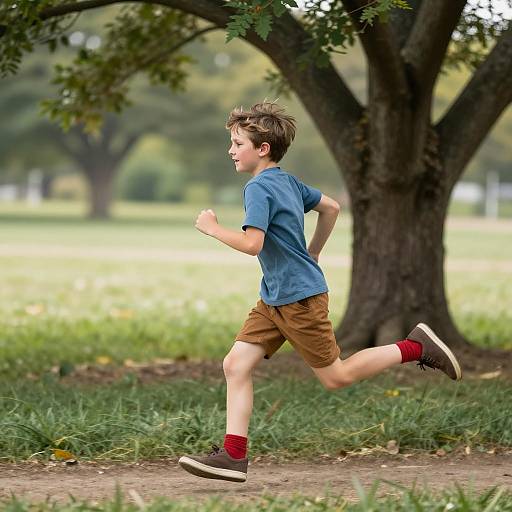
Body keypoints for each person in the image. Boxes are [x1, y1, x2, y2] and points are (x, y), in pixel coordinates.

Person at [178, 102, 462, 483]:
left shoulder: (259, 188)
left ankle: (414, 347)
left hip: (297, 299)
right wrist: (312, 253)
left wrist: (212, 228)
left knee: (336, 377)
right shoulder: (288, 181)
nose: (231, 150)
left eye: (237, 142)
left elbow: (253, 245)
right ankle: (233, 456)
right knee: (235, 364)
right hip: (275, 297)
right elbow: (330, 207)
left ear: (262, 149)